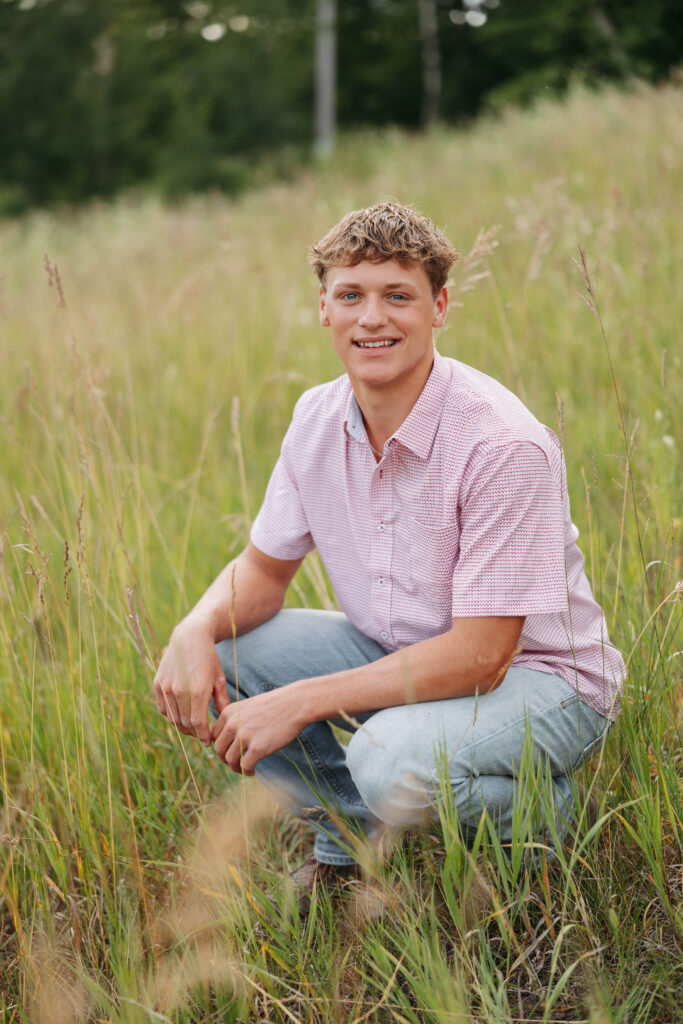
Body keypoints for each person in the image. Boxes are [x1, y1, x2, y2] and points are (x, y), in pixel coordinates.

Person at [153, 202, 625, 899]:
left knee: (384, 761)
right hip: (403, 655)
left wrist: (300, 703)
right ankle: (348, 843)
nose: (371, 318)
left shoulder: (501, 443)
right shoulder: (314, 418)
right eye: (351, 295)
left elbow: (482, 656)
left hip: (543, 684)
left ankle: (541, 819)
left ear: (438, 306)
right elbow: (261, 572)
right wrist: (191, 628)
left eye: (396, 296)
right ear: (324, 308)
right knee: (229, 652)